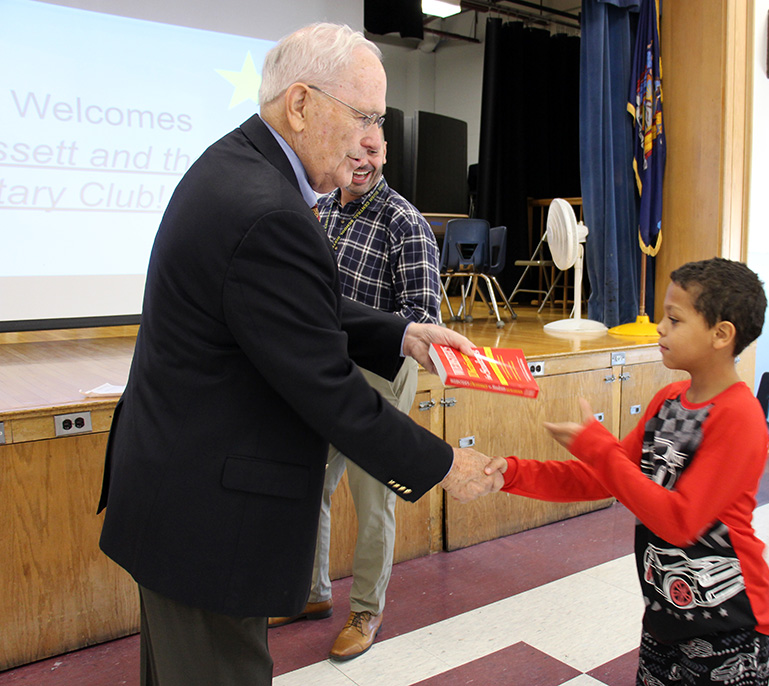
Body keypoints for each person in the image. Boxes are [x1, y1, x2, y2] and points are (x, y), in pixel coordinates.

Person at [97, 23, 496, 686]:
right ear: (302, 104)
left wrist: (399, 333)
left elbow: (286, 304)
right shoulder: (269, 210)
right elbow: (327, 388)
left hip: (178, 498)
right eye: (363, 115)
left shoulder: (242, 168)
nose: (374, 139)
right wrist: (443, 463)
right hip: (207, 524)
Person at [486, 257, 769, 685]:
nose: (660, 327)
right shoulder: (670, 402)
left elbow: (680, 521)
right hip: (665, 616)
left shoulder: (738, 416)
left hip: (728, 625)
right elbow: (610, 477)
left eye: (674, 319)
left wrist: (599, 449)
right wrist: (510, 472)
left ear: (721, 334)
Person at [267, 131, 442, 660]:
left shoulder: (405, 222)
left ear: (386, 154)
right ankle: (312, 593)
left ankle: (367, 609)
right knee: (312, 485)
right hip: (326, 371)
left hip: (382, 377)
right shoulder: (324, 211)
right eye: (354, 149)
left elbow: (423, 320)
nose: (362, 161)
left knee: (373, 502)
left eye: (373, 150)